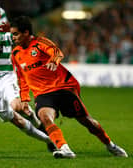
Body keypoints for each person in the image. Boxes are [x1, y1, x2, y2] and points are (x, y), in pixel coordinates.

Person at [10, 15, 128, 158]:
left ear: (26, 33)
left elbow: (56, 52)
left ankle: (110, 145)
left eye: (15, 34)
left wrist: (54, 60)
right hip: (42, 94)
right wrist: (24, 98)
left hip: (62, 88)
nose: (13, 37)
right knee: (45, 117)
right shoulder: (15, 53)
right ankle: (65, 149)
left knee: (87, 122)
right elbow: (22, 78)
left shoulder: (39, 43)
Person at [0, 3, 55, 152]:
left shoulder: (9, 35)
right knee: (16, 121)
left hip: (5, 77)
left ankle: (39, 125)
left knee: (18, 107)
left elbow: (30, 41)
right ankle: (47, 138)